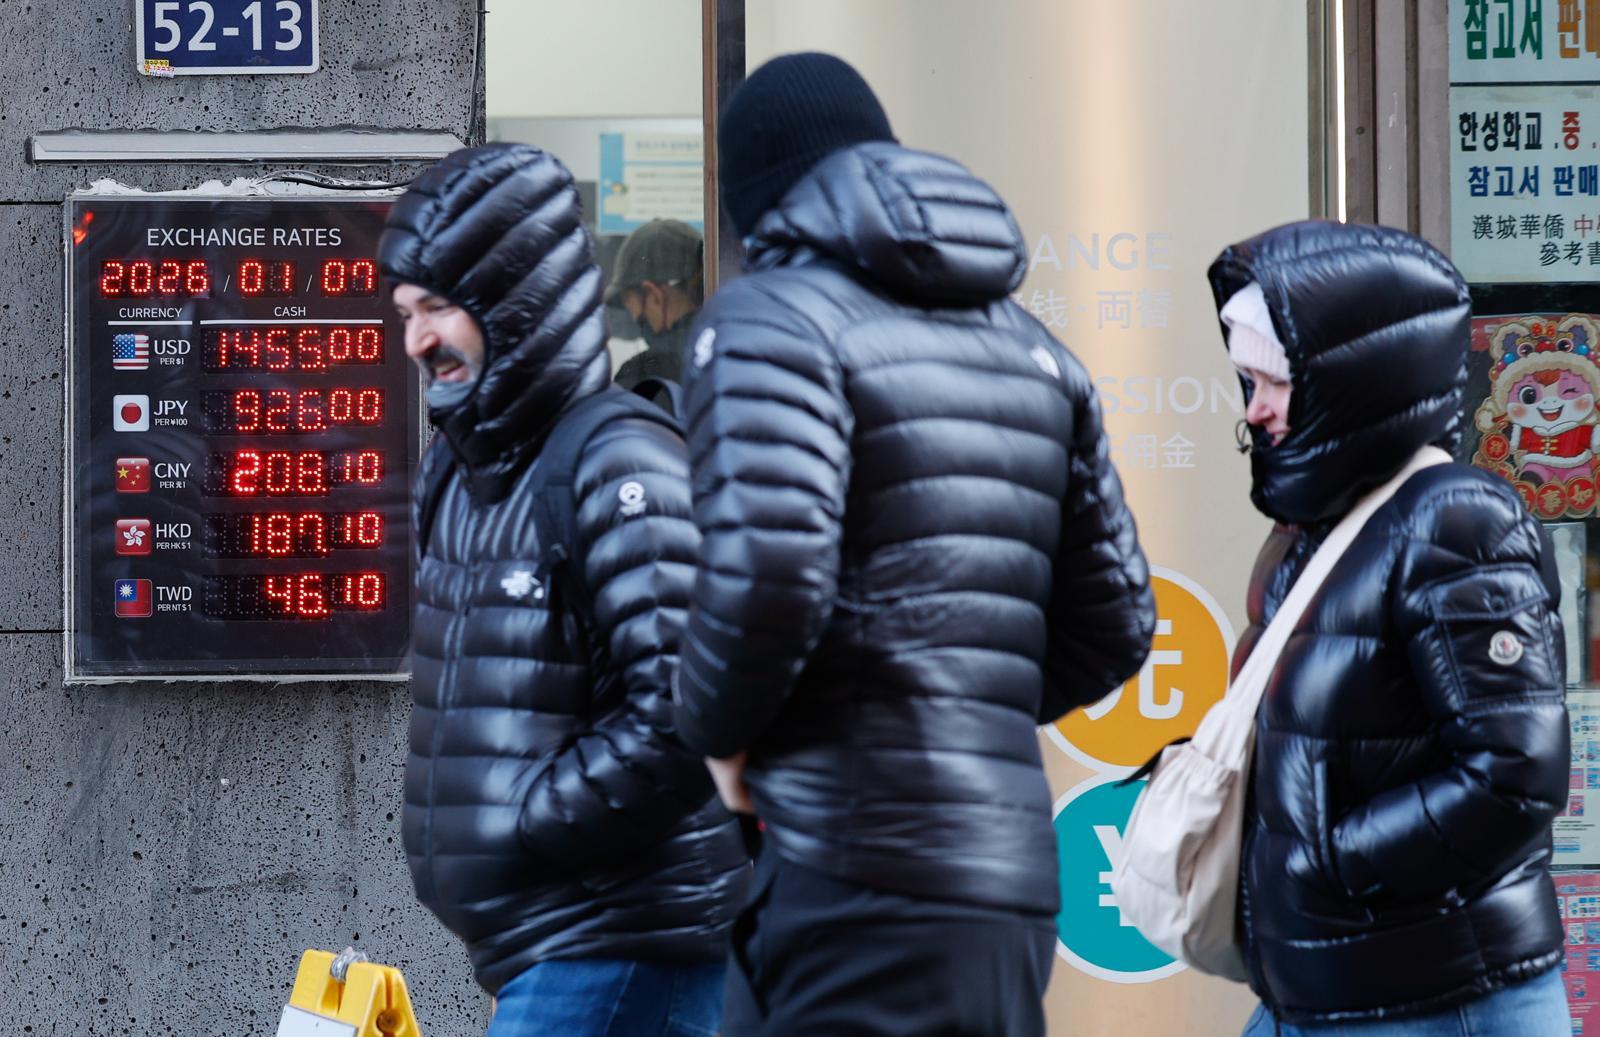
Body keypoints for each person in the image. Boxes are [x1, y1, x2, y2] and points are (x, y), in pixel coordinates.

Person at [670, 53, 1156, 1036]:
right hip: (1007, 879)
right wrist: (952, 694)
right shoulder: (1033, 346)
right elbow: (1117, 622)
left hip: (849, 861)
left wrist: (721, 736)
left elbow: (768, 572)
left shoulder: (771, 319)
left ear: (756, 196)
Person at [379, 142, 747, 1036]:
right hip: (550, 942)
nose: (417, 339)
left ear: (513, 297)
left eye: (439, 307)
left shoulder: (618, 461)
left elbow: (690, 707)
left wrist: (526, 823)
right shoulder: (460, 477)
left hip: (620, 936)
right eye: (405, 311)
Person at [1213, 220, 1571, 1035]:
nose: (1257, 408)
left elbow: (1515, 770)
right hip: (1331, 989)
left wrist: (1333, 860)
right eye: (1247, 381)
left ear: (1349, 376)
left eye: (1273, 379)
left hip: (1436, 1000)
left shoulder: (1454, 519)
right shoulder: (1335, 526)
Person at [603, 218, 705, 391]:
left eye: (631, 306)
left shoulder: (642, 375)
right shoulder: (727, 348)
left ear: (655, 297)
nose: (634, 319)